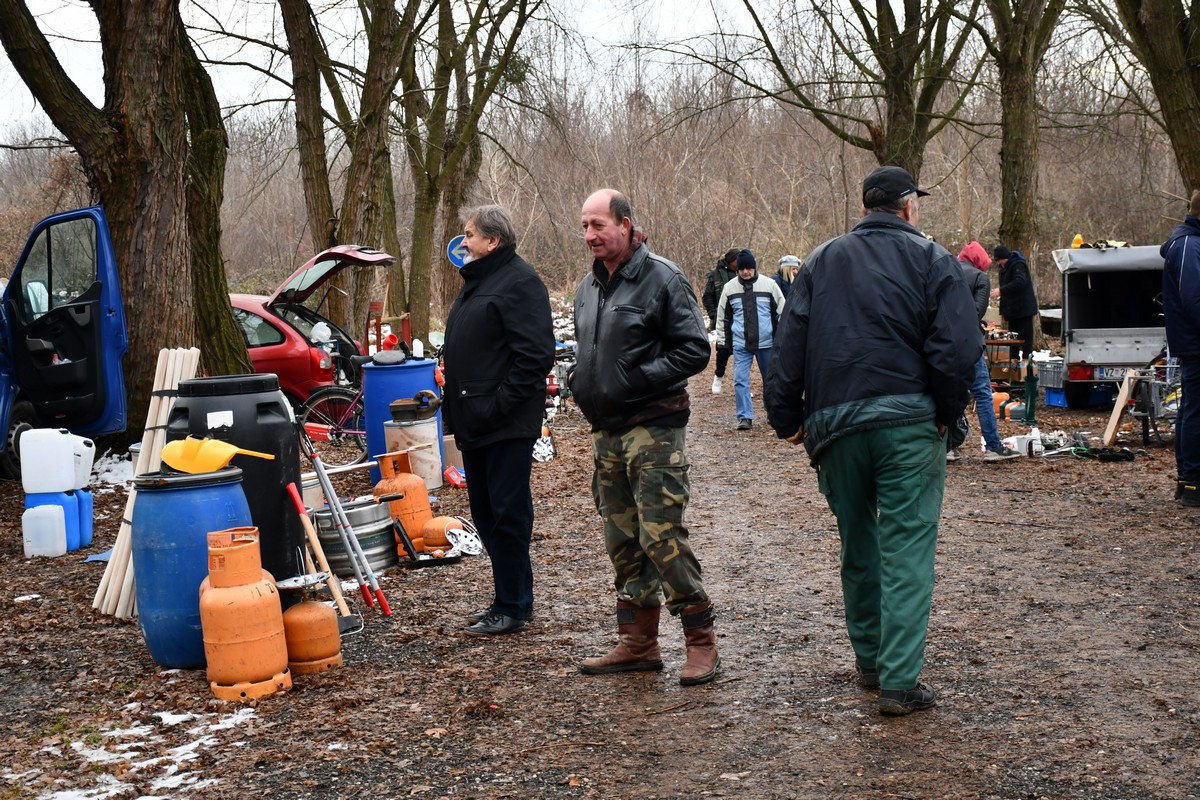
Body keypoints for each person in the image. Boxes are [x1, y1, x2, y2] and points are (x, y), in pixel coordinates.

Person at [764, 165, 981, 716]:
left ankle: (870, 663)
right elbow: (956, 347)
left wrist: (786, 415)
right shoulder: (934, 260)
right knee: (906, 546)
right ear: (908, 207)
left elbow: (789, 345)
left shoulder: (819, 262)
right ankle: (899, 682)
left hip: (836, 425)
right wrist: (948, 413)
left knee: (858, 543)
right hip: (909, 423)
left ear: (866, 209)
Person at [570, 188, 720, 686]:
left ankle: (701, 642)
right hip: (606, 432)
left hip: (653, 429)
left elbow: (695, 349)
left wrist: (634, 379)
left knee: (661, 536)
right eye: (585, 226)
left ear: (627, 224)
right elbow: (587, 352)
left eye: (599, 225)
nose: (590, 235)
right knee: (622, 540)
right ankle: (638, 643)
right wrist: (578, 380)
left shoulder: (663, 278)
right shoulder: (587, 288)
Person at [441, 204, 555, 636]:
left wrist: (496, 405)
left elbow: (534, 357)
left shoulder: (520, 282)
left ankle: (513, 605)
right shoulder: (478, 282)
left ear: (493, 241)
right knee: (487, 515)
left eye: (469, 234)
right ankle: (504, 599)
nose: (463, 241)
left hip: (504, 424)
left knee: (508, 514)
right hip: (476, 423)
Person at [953, 241, 1021, 463]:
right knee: (982, 393)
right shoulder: (980, 278)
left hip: (943, 343)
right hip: (969, 344)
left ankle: (948, 447)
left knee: (950, 393)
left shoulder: (945, 271)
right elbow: (975, 312)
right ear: (978, 261)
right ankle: (993, 446)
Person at [1159, 190, 1200, 507]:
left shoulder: (1189, 243)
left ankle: (1189, 480)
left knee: (1192, 409)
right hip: (1194, 344)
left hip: (1191, 342)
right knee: (1194, 411)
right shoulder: (1188, 245)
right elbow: (1193, 299)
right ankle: (1191, 481)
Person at [715, 248, 785, 430]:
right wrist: (723, 343)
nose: (746, 272)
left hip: (766, 343)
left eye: (749, 268)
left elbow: (783, 314)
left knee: (771, 380)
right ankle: (745, 417)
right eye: (742, 268)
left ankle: (774, 413)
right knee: (740, 379)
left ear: (755, 268)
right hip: (741, 343)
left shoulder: (770, 286)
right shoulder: (729, 288)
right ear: (737, 269)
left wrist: (782, 339)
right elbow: (722, 316)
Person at [702, 249, 739, 395]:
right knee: (723, 350)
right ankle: (719, 376)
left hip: (741, 318)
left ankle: (741, 384)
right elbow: (707, 297)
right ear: (731, 260)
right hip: (723, 318)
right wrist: (713, 314)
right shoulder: (715, 274)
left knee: (742, 351)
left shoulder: (744, 273)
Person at [992, 245, 1038, 363]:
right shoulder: (1003, 269)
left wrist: (1001, 291)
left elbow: (1020, 283)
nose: (998, 263)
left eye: (998, 260)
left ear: (1004, 258)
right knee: (1013, 340)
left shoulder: (1018, 265)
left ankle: (1027, 364)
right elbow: (1005, 294)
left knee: (1026, 340)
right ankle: (1014, 363)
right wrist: (1003, 311)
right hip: (1012, 311)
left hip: (1024, 309)